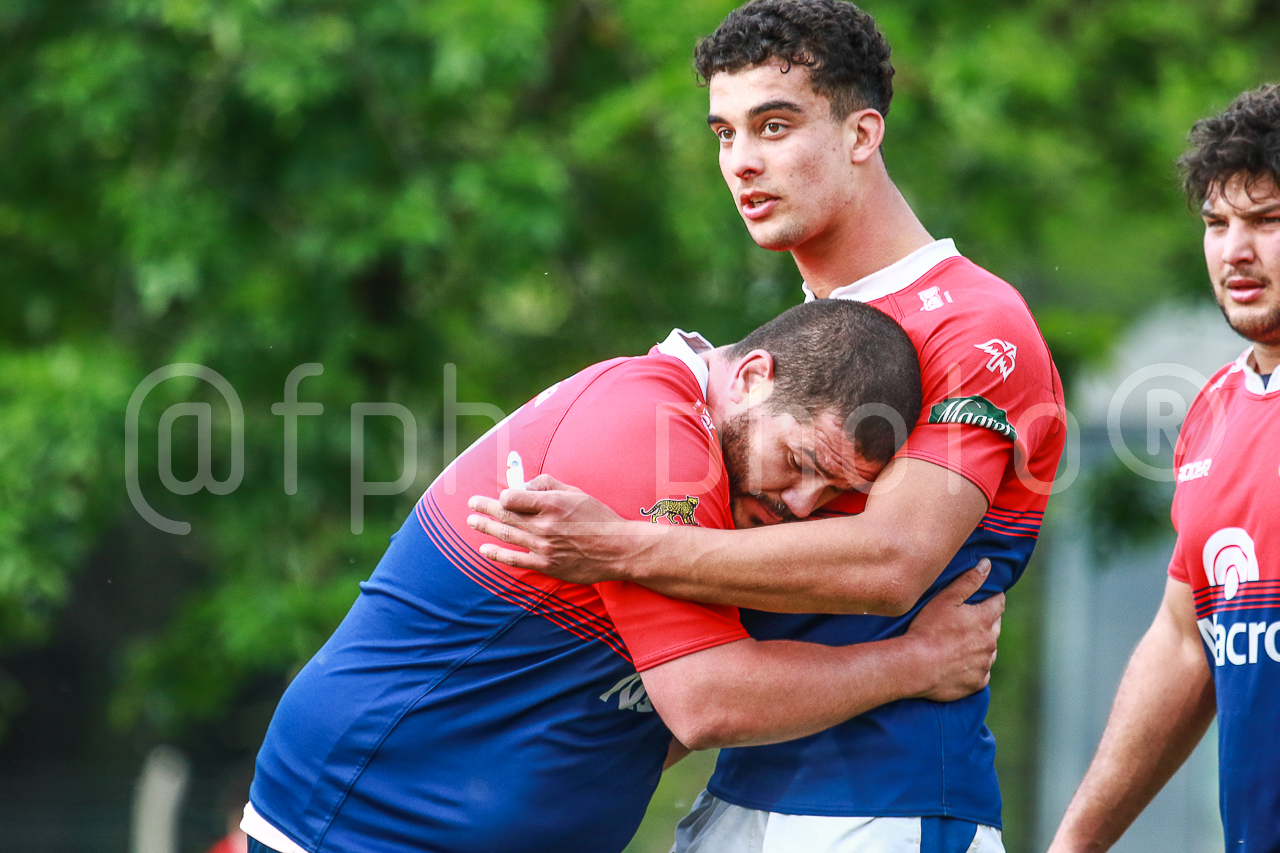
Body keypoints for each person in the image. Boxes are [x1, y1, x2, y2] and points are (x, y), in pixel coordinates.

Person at [467, 2, 1067, 851]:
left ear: (862, 134)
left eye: (774, 126)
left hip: (884, 810)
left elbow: (894, 560)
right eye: (724, 133)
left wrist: (621, 546)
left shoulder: (974, 321)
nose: (743, 162)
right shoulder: (799, 343)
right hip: (741, 792)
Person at [241, 300, 1005, 853]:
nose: (804, 504)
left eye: (835, 494)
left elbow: (646, 727)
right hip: (362, 826)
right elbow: (703, 704)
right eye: (801, 462)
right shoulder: (653, 434)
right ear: (752, 377)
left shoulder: (725, 482)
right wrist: (916, 662)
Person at [1046, 84, 1280, 853]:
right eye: (1218, 224)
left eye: (1268, 221)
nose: (1235, 250)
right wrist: (1075, 843)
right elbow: (1187, 642)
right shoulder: (1216, 408)